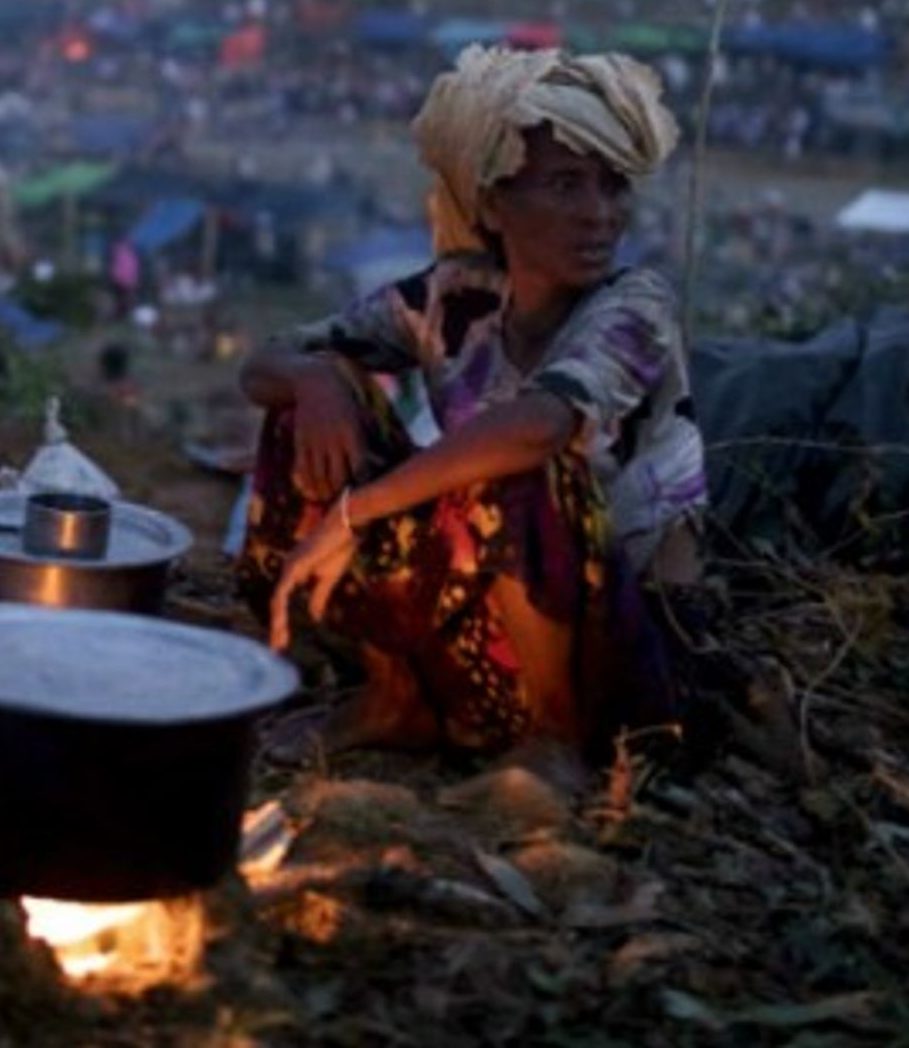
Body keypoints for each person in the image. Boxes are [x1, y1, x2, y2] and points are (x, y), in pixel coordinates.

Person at [238, 47, 706, 759]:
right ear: (492, 202)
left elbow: (540, 427)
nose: (599, 215)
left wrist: (355, 512)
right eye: (567, 185)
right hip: (480, 619)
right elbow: (263, 363)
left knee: (518, 463)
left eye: (613, 188)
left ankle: (553, 744)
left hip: (614, 641)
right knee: (314, 399)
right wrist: (315, 381)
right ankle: (396, 697)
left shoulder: (634, 307)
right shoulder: (454, 295)